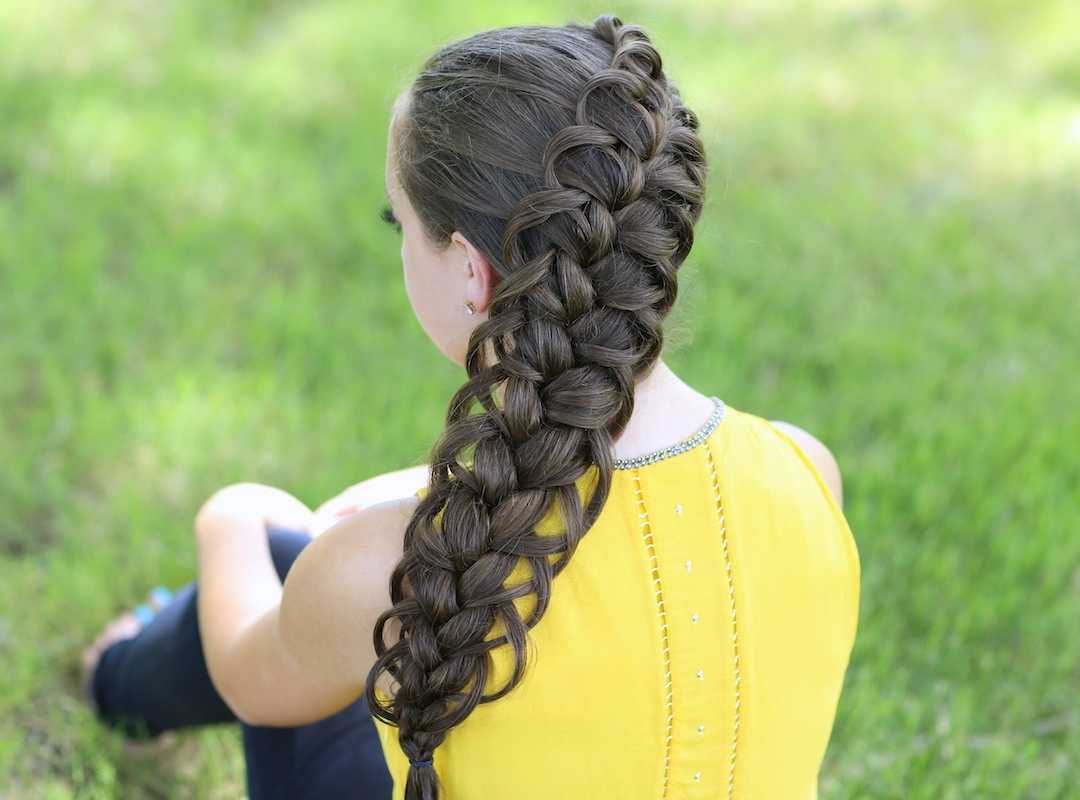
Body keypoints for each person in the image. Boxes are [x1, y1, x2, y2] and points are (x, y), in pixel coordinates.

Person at [83, 15, 860, 800]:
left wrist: (231, 518)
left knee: (284, 559)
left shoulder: (388, 568)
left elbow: (256, 683)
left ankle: (116, 671)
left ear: (467, 270)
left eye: (402, 223)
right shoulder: (804, 471)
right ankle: (121, 667)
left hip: (342, 585)